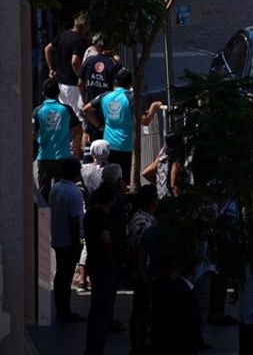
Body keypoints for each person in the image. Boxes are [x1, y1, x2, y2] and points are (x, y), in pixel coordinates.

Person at [82, 68, 161, 179]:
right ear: (131, 83)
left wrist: (100, 126)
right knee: (124, 180)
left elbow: (86, 109)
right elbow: (145, 121)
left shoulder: (105, 96)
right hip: (125, 146)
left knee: (109, 178)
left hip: (108, 145)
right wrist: (153, 107)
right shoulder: (131, 98)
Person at [83, 181, 119, 355]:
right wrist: (112, 258)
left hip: (93, 262)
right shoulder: (102, 216)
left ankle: (93, 347)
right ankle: (96, 349)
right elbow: (106, 240)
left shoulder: (89, 214)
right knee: (102, 310)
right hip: (103, 265)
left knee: (96, 308)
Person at [50, 158, 86, 323]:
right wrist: (75, 244)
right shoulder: (74, 193)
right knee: (65, 276)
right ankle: (64, 311)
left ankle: (61, 309)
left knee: (60, 275)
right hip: (68, 241)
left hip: (57, 237)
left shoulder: (55, 188)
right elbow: (74, 220)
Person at [34, 78, 81, 198]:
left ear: (43, 94)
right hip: (63, 157)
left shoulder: (38, 111)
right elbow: (78, 131)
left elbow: (31, 133)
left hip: (44, 157)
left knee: (43, 194)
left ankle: (43, 216)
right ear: (58, 92)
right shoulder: (66, 109)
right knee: (63, 193)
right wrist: (75, 152)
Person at [126, 185, 160, 353]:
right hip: (142, 273)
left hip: (143, 272)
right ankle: (138, 345)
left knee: (142, 310)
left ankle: (140, 343)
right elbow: (139, 252)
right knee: (141, 310)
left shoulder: (145, 219)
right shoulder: (142, 222)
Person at [44, 13, 90, 132]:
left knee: (65, 115)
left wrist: (51, 68)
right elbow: (75, 61)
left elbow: (48, 49)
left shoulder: (63, 35)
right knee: (77, 118)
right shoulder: (80, 41)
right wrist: (82, 76)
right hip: (73, 85)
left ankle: (68, 142)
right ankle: (75, 147)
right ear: (84, 25)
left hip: (60, 83)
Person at [78, 36, 120, 145]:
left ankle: (90, 159)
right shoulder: (114, 64)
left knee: (91, 137)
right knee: (108, 142)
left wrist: (85, 101)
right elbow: (117, 89)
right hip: (107, 109)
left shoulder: (89, 60)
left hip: (91, 107)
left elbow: (80, 84)